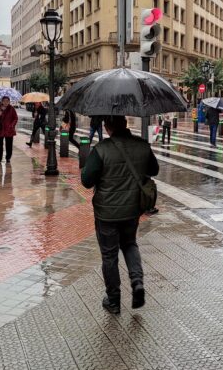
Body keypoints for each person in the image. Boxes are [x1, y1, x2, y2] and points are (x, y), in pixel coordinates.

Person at [81, 116, 159, 314]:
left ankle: (114, 300)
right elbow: (154, 170)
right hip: (132, 209)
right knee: (130, 244)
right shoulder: (142, 146)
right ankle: (137, 281)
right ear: (125, 125)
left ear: (107, 128)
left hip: (106, 213)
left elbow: (87, 181)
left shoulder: (101, 149)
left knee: (109, 255)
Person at [0, 96, 18, 163]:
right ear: (2, 102)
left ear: (9, 102)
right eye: (4, 101)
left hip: (9, 129)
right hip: (0, 129)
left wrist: (12, 125)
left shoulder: (11, 109)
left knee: (9, 145)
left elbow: (15, 118)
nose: (6, 102)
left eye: (7, 101)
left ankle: (8, 157)